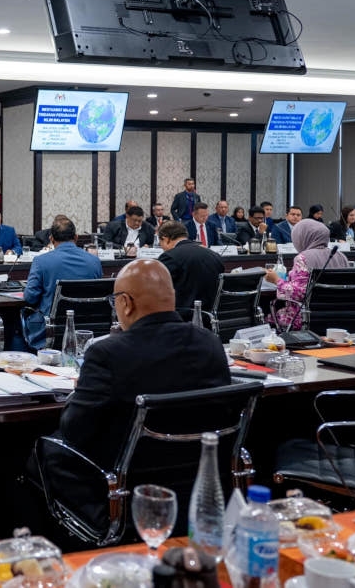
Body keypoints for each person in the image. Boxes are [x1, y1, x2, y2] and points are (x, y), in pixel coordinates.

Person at [27, 259, 230, 532]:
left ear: (126, 303)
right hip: (197, 485)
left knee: (38, 453)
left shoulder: (108, 354)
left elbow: (74, 430)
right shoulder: (210, 343)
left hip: (122, 488)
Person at [23, 217, 102, 350]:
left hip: (49, 330)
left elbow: (30, 298)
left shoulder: (41, 261)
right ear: (76, 237)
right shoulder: (94, 261)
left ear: (51, 239)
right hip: (87, 329)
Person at [266, 219, 348, 330]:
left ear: (302, 237)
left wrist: (276, 280)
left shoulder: (303, 258)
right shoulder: (341, 256)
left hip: (305, 317)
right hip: (341, 316)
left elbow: (298, 293)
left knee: (266, 318)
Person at [157, 221, 224, 317]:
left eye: (160, 243)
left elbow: (158, 290)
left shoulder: (169, 257)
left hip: (180, 320)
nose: (162, 248)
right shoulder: (214, 255)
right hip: (210, 318)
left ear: (165, 239)